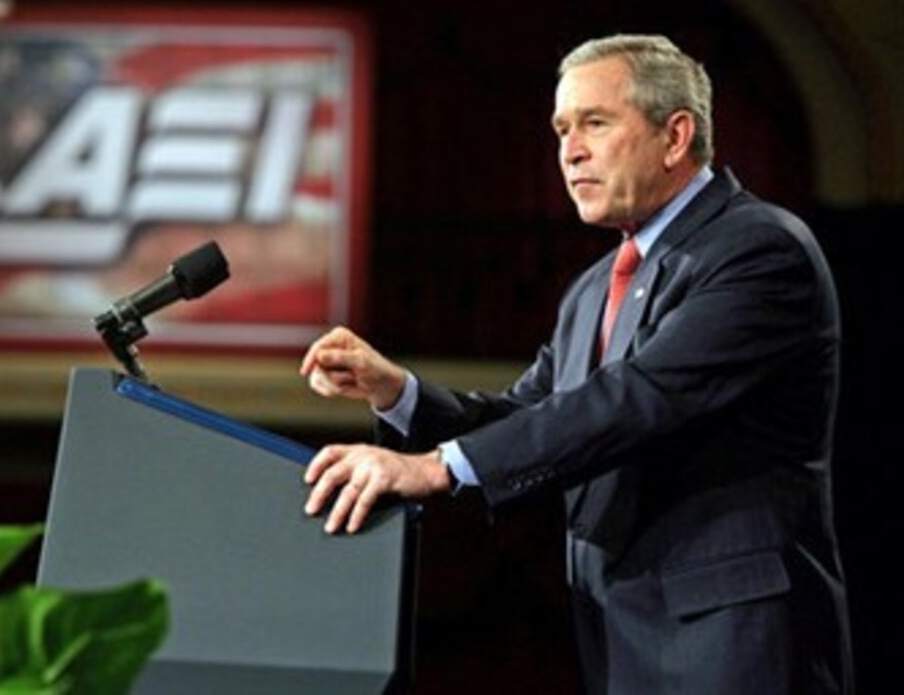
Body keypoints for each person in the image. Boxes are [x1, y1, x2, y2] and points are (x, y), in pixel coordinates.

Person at [300, 34, 854, 694]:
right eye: (562, 128)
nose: (570, 150)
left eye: (595, 123)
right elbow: (532, 414)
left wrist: (434, 469)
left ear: (675, 137)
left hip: (735, 641)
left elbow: (636, 399)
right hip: (624, 636)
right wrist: (400, 395)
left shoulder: (759, 250)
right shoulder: (596, 287)